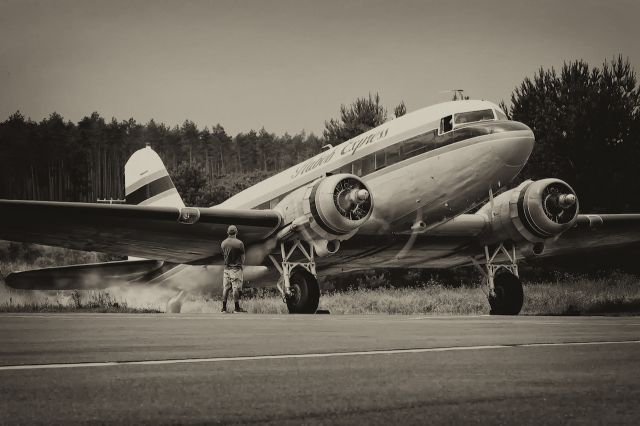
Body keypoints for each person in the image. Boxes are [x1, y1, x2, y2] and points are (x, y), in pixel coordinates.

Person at [221, 225, 246, 313]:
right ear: (236, 232)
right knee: (235, 288)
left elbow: (224, 255)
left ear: (227, 232)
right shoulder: (240, 243)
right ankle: (236, 308)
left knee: (226, 288)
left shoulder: (223, 243)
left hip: (226, 268)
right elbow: (243, 258)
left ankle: (223, 308)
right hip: (236, 268)